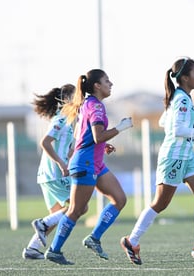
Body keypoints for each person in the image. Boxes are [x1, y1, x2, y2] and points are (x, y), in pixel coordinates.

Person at [120, 57, 194, 266]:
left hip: (188, 155)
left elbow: (163, 121)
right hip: (174, 156)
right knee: (161, 203)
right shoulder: (181, 99)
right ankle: (132, 241)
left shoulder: (181, 96)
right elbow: (175, 130)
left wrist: (191, 124)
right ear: (184, 78)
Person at [44, 69, 133, 265]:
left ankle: (94, 238)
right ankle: (54, 249)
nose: (111, 84)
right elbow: (97, 136)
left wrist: (102, 145)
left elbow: (82, 136)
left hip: (94, 162)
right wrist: (120, 127)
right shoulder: (96, 107)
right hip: (86, 163)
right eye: (107, 81)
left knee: (119, 199)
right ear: (97, 86)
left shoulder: (88, 104)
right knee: (76, 210)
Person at [22, 84, 77, 260]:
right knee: (80, 206)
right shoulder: (61, 119)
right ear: (68, 99)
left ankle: (32, 248)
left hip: (48, 174)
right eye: (78, 96)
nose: (81, 100)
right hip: (54, 173)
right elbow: (44, 142)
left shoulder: (69, 121)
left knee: (58, 215)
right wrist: (62, 164)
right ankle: (41, 223)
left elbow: (67, 149)